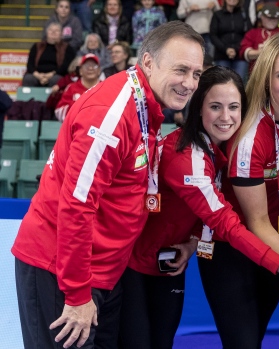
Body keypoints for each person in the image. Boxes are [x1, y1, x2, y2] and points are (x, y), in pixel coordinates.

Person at [11, 21, 205, 349]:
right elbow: (76, 204)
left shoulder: (147, 105)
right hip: (62, 273)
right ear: (147, 62)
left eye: (197, 74)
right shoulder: (113, 113)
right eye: (181, 70)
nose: (189, 83)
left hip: (102, 274)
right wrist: (76, 294)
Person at [119, 65, 279, 349]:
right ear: (198, 109)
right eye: (215, 107)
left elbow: (192, 213)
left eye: (233, 107)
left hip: (165, 265)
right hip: (130, 266)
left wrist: (190, 244)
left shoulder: (219, 150)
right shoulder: (187, 158)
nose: (226, 117)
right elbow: (229, 226)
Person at [206, 32, 279, 348]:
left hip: (277, 240)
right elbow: (256, 222)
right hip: (234, 250)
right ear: (265, 78)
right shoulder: (251, 137)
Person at [22, 22, 76, 87]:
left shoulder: (67, 48)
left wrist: (50, 75)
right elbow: (30, 64)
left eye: (56, 31)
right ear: (46, 32)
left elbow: (66, 66)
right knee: (28, 79)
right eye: (51, 30)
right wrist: (38, 76)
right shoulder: (37, 46)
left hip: (56, 74)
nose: (53, 32)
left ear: (61, 34)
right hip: (38, 74)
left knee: (56, 80)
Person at [210, 0, 252, 81]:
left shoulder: (243, 14)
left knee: (239, 82)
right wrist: (226, 49)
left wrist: (236, 48)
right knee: (221, 82)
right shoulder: (217, 15)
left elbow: (248, 34)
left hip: (240, 55)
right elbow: (213, 36)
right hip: (221, 55)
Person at [54, 54, 103, 122]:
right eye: (86, 66)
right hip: (76, 127)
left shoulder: (106, 88)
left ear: (99, 70)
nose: (90, 68)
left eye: (94, 65)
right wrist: (77, 106)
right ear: (80, 71)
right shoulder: (71, 88)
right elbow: (59, 112)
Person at [240, 4, 279, 72]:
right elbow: (243, 52)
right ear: (262, 17)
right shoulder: (253, 33)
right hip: (257, 72)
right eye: (269, 18)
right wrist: (259, 52)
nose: (271, 21)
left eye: (274, 18)